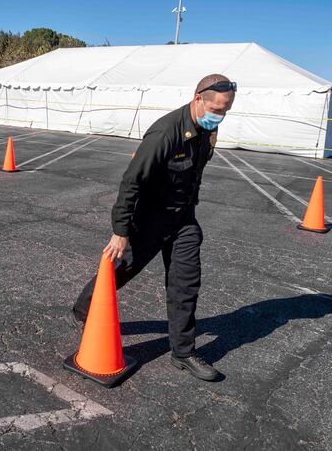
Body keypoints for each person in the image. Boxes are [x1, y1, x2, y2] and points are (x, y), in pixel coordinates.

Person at [71, 74, 236, 381]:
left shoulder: (205, 132)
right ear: (198, 98)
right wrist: (120, 231)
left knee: (186, 285)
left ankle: (183, 352)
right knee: (122, 269)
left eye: (225, 111)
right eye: (217, 109)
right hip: (147, 219)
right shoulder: (165, 132)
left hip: (182, 220)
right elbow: (131, 181)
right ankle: (86, 311)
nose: (220, 116)